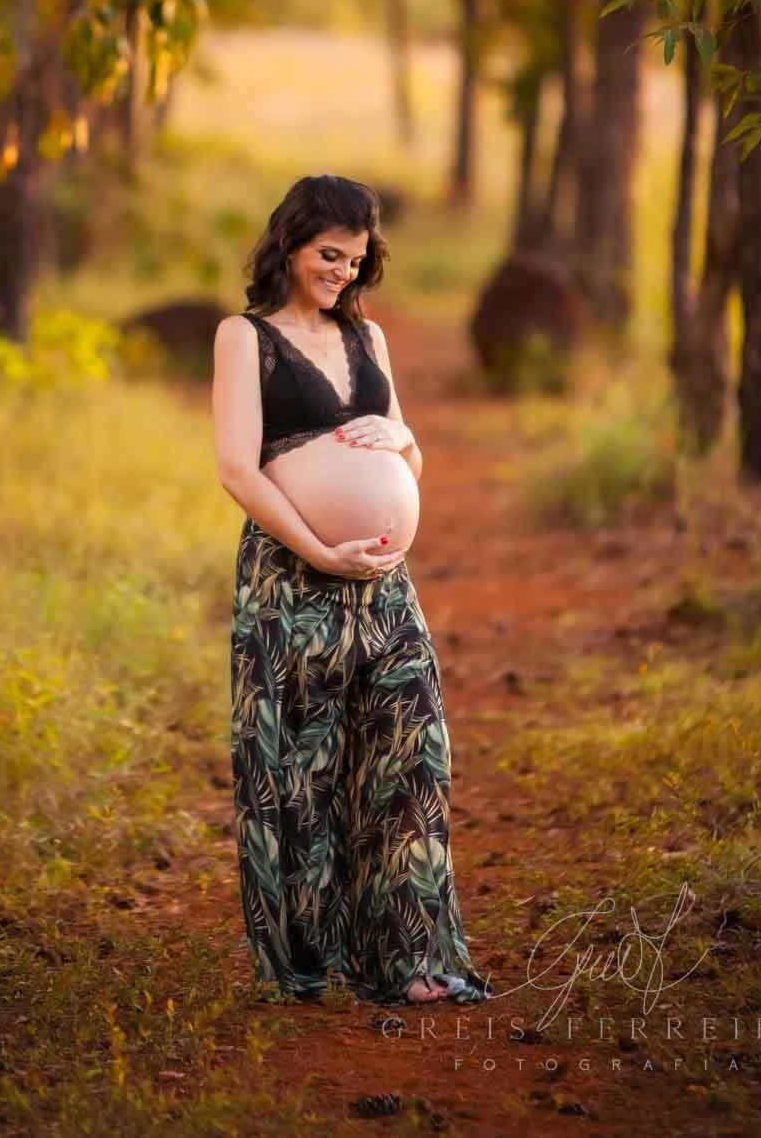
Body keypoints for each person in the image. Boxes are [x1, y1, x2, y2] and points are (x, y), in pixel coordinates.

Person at [211, 174, 491, 1008]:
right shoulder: (245, 337)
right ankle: (313, 959)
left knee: (411, 753)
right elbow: (237, 468)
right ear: (291, 244)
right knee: (304, 770)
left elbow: (409, 457)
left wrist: (400, 436)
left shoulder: (369, 338)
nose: (343, 272)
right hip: (291, 581)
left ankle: (412, 955)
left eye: (357, 260)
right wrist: (319, 550)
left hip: (383, 588)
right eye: (329, 256)